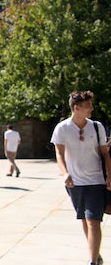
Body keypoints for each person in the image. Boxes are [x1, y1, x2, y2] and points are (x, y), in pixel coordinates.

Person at [51, 90, 111, 265]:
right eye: (87, 106)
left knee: (93, 220)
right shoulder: (62, 128)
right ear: (76, 108)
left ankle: (92, 261)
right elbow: (59, 154)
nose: (91, 109)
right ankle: (96, 254)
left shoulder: (96, 126)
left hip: (96, 181)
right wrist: (65, 173)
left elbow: (106, 154)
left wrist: (109, 175)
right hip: (74, 183)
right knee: (85, 219)